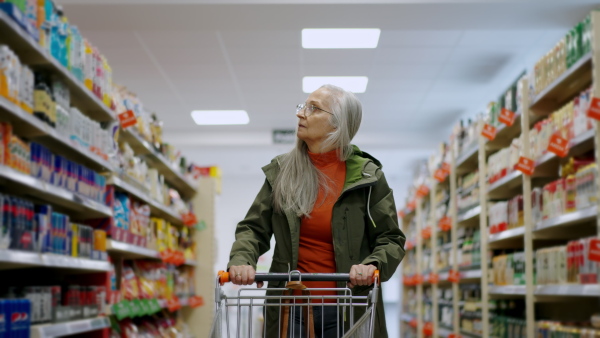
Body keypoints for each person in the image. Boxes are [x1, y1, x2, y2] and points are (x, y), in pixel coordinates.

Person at [227, 84, 406, 338]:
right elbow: (253, 228)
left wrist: (372, 264)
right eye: (302, 106)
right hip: (289, 307)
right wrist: (242, 259)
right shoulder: (282, 172)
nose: (301, 114)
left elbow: (391, 239)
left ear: (338, 124)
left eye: (313, 108)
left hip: (349, 306)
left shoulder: (368, 177)